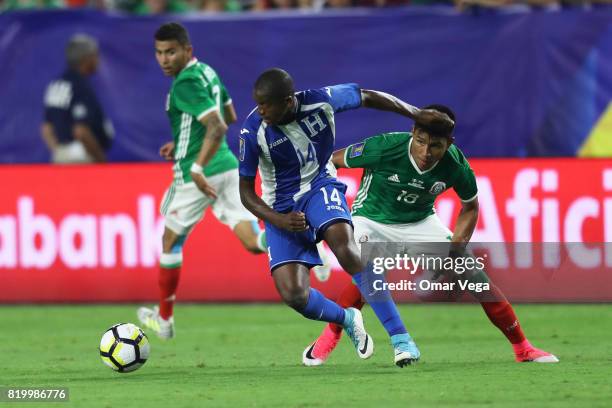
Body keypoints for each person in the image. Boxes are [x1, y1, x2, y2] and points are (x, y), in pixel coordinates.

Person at [302, 104, 559, 365]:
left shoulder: (455, 164)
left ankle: (523, 348)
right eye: (420, 141)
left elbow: (470, 206)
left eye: (435, 145)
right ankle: (335, 337)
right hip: (370, 220)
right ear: (412, 131)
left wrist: (457, 247)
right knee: (369, 272)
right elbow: (331, 162)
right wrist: (332, 210)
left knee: (477, 278)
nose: (425, 152)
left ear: (449, 143)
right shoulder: (384, 146)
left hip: (420, 223)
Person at [238, 68, 454, 367]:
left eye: (267, 105)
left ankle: (401, 340)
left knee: (347, 249)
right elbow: (246, 193)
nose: (260, 111)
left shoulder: (320, 101)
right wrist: (278, 219)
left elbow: (368, 96)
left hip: (320, 184)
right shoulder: (253, 132)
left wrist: (416, 114)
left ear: (288, 101)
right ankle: (347, 318)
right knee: (294, 295)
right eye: (258, 104)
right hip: (282, 204)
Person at [137, 22, 267, 339]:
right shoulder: (207, 72)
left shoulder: (184, 84)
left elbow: (218, 125)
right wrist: (183, 142)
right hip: (226, 167)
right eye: (159, 53)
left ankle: (164, 321)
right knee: (253, 243)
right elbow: (230, 114)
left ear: (187, 50)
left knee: (170, 242)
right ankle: (309, 249)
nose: (164, 59)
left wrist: (195, 166)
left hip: (197, 175)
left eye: (171, 52)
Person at [41, 34, 113, 164]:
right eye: (95, 55)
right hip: (81, 159)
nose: (97, 60)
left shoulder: (57, 83)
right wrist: (101, 160)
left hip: (61, 156)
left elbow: (46, 129)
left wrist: (59, 151)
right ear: (86, 58)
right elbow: (81, 131)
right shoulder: (79, 85)